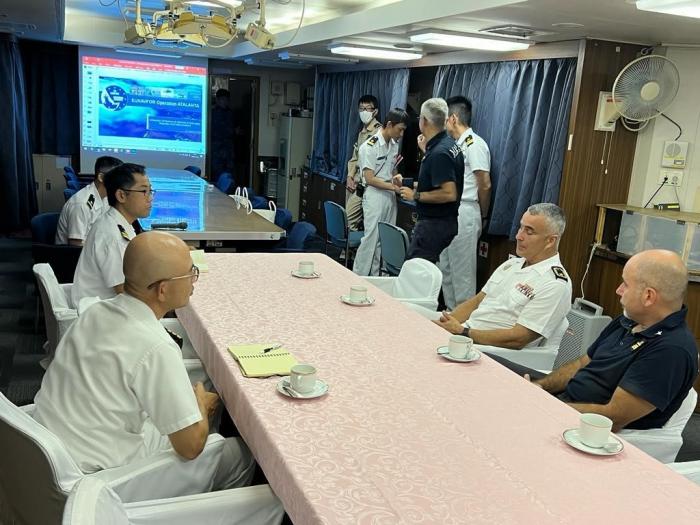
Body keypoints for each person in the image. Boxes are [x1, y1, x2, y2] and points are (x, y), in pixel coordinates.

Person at [34, 231, 256, 492]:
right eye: (190, 273)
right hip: (98, 477)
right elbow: (189, 448)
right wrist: (200, 407)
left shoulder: (92, 311)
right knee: (239, 453)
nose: (194, 280)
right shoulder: (156, 346)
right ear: (163, 290)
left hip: (54, 449)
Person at [514, 250, 697, 432]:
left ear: (648, 296)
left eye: (625, 284)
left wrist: (545, 406)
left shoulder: (671, 351)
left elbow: (613, 417)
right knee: (492, 366)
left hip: (584, 430)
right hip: (564, 402)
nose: (618, 290)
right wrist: (540, 386)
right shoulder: (629, 320)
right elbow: (582, 364)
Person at [434, 203, 572, 349]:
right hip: (465, 336)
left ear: (550, 241)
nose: (519, 236)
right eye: (521, 227)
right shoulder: (512, 265)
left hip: (491, 351)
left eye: (529, 232)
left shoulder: (554, 283)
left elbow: (518, 339)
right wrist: (445, 324)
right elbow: (478, 300)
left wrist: (463, 332)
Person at [71, 163, 153, 306]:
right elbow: (125, 291)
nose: (150, 198)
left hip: (107, 306)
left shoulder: (120, 222)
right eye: (144, 192)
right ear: (121, 195)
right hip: (100, 314)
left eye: (151, 191)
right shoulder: (112, 235)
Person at [396, 98, 464, 264]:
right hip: (443, 222)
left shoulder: (439, 152)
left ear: (424, 121)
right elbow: (436, 182)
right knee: (424, 271)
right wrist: (409, 183)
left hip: (434, 224)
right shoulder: (448, 144)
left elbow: (449, 193)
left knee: (415, 272)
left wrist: (415, 196)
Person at [439, 97, 491, 309]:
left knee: (463, 275)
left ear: (453, 118)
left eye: (444, 119)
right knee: (447, 270)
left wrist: (484, 215)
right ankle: (451, 318)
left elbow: (484, 184)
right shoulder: (454, 146)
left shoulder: (474, 144)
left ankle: (461, 326)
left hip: (466, 211)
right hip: (449, 211)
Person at [352, 108, 409, 276]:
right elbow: (369, 178)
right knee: (370, 240)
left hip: (390, 196)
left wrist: (396, 177)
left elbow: (392, 169)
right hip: (374, 195)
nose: (401, 133)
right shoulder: (369, 146)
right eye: (400, 129)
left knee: (384, 240)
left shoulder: (394, 145)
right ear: (389, 124)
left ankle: (378, 277)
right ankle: (358, 276)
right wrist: (393, 187)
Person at [55, 156, 123, 245]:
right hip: (75, 256)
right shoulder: (81, 204)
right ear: (101, 177)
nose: (122, 182)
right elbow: (75, 244)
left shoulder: (105, 197)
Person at [345, 95, 382, 232]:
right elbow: (355, 157)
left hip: (368, 185)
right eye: (361, 109)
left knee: (361, 223)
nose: (364, 112)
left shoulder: (378, 132)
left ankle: (352, 251)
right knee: (348, 222)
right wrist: (349, 176)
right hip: (356, 183)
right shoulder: (362, 132)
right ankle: (349, 250)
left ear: (375, 112)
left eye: (367, 109)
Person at [211, 88, 235, 181]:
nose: (225, 102)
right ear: (217, 100)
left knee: (229, 176)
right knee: (218, 175)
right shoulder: (213, 113)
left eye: (227, 99)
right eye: (223, 99)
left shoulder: (230, 113)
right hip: (217, 150)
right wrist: (232, 131)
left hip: (228, 150)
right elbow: (217, 130)